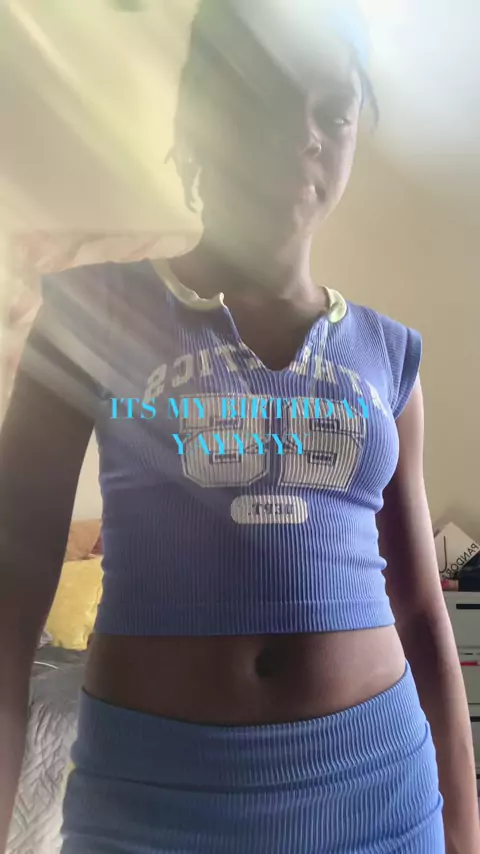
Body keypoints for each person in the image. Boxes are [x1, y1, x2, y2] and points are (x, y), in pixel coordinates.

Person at [1, 1, 479, 852]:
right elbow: (9, 603)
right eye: (264, 95)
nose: (304, 135)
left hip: (380, 793)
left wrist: (464, 829)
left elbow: (419, 610)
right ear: (201, 113)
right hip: (152, 806)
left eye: (334, 110)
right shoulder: (89, 312)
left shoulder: (389, 356)